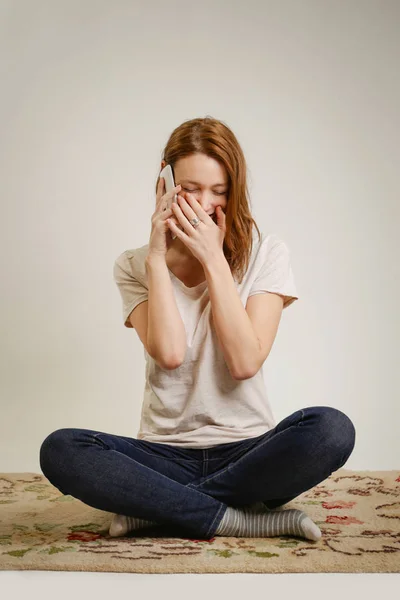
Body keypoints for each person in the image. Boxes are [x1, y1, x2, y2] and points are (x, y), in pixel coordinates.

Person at [39, 116, 356, 542]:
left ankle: (159, 508)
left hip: (248, 452)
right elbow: (169, 354)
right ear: (164, 185)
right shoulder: (133, 265)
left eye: (219, 192)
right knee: (61, 449)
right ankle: (236, 518)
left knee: (331, 429)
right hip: (163, 454)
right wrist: (156, 257)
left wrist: (214, 260)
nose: (204, 204)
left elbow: (244, 361)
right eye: (189, 189)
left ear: (234, 190)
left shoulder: (267, 252)